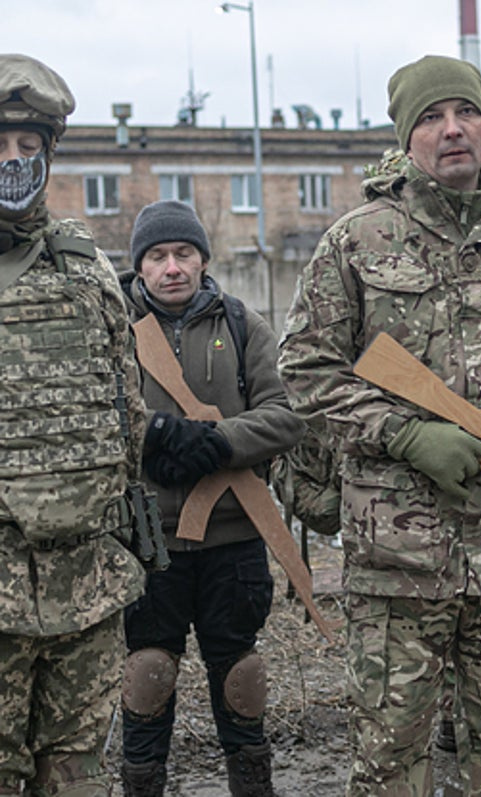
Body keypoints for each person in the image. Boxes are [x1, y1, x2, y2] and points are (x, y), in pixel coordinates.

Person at [276, 55, 481, 795]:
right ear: (407, 136)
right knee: (391, 764)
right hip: (398, 562)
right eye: (432, 117)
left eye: (466, 113)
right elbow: (305, 370)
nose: (452, 129)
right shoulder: (357, 241)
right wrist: (405, 434)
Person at [117, 199, 303, 796]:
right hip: (148, 543)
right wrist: (156, 437)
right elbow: (92, 413)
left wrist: (220, 442)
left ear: (203, 259)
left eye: (183, 253)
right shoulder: (113, 328)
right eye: (157, 256)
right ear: (140, 266)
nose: (172, 267)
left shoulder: (243, 325)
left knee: (241, 678)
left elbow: (285, 415)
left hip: (234, 539)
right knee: (148, 675)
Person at [0, 55, 148, 796]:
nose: (13, 160)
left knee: (78, 773)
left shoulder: (85, 269)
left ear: (49, 154)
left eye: (28, 145)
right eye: (0, 144)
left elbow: (127, 409)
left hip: (85, 583)